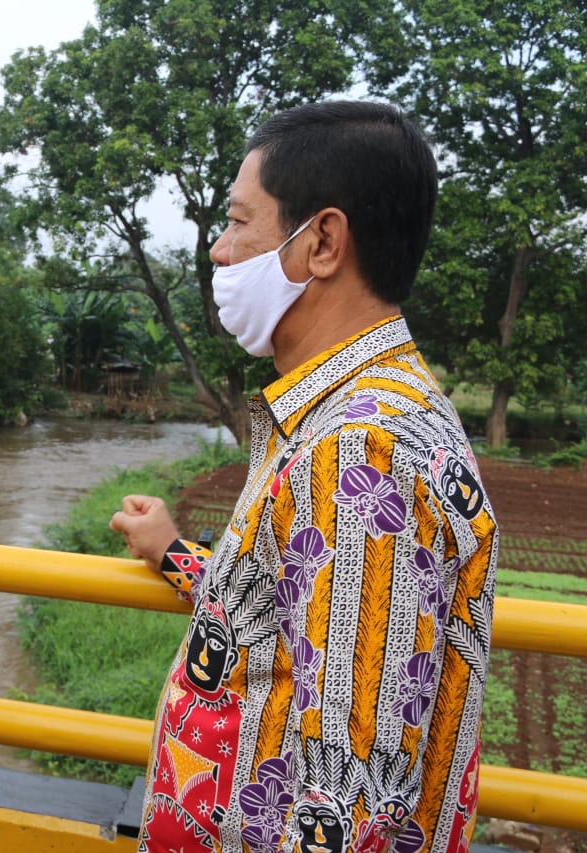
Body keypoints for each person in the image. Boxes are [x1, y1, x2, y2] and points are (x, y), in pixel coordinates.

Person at [110, 101, 498, 853]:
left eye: (237, 222)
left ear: (321, 241)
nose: (219, 252)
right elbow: (310, 614)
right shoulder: (374, 409)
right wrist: (178, 554)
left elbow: (353, 795)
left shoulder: (363, 448)